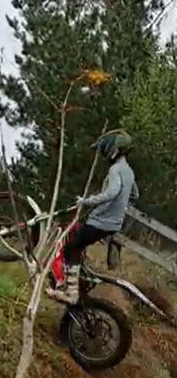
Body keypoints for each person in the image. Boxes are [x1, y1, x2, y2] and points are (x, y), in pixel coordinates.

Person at [46, 130, 139, 305]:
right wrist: (121, 207)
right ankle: (78, 280)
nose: (103, 154)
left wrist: (86, 201)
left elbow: (111, 193)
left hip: (101, 222)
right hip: (113, 224)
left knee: (70, 248)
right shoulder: (129, 171)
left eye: (105, 150)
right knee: (79, 245)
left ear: (114, 150)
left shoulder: (115, 170)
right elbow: (135, 195)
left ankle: (70, 293)